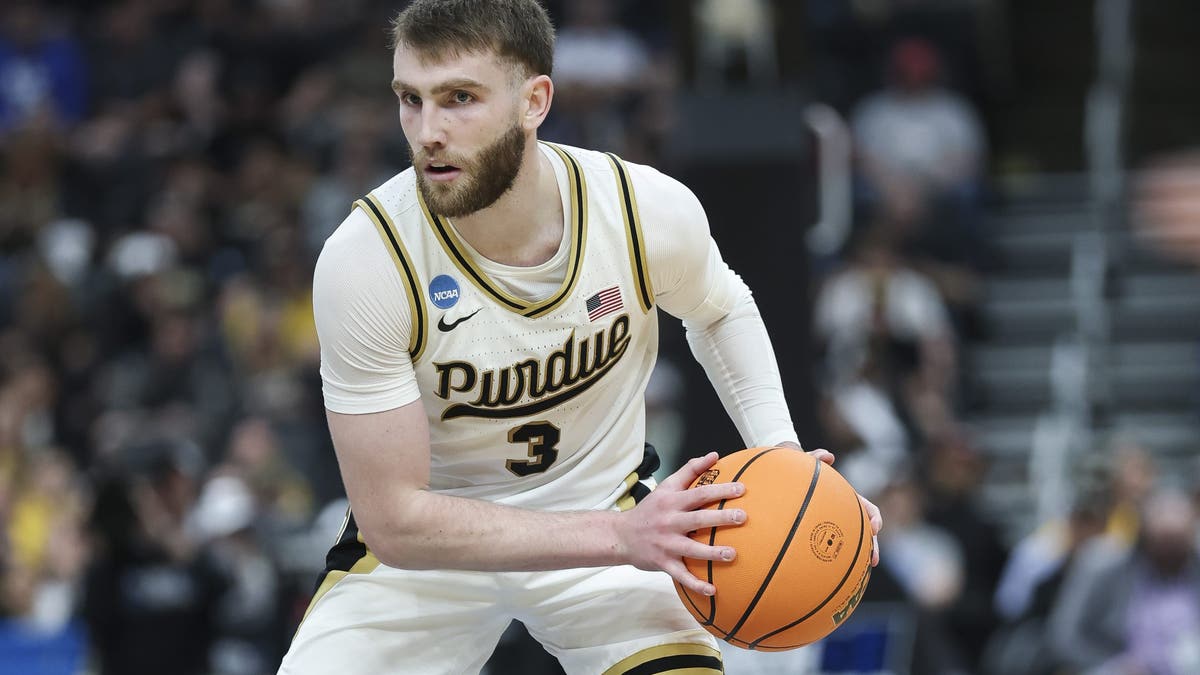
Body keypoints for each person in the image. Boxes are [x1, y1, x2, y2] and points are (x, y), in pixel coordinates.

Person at [277, 2, 881, 674]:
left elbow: (721, 308)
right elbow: (393, 520)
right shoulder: (367, 259)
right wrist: (619, 534)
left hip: (606, 517)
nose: (428, 131)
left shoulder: (641, 209)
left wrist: (785, 460)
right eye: (410, 100)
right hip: (435, 549)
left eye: (459, 99)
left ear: (534, 100)